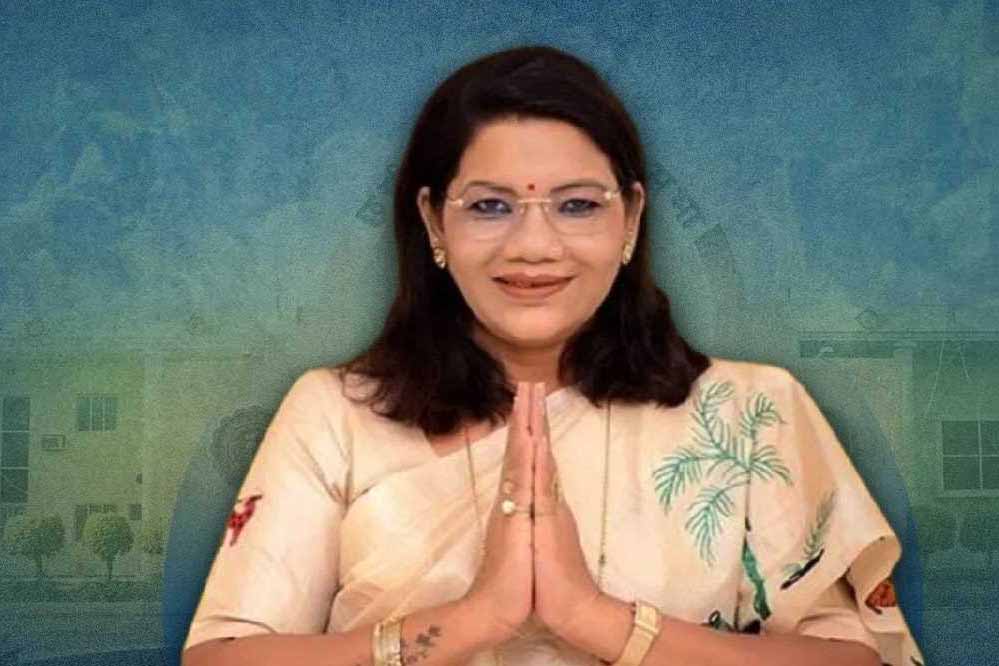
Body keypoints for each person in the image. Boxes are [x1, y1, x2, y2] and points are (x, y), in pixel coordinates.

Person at [181, 45, 924, 666]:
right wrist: (477, 617)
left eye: (576, 205)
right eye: (489, 206)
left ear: (630, 219)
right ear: (432, 221)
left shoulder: (748, 412)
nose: (533, 246)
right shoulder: (337, 414)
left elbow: (855, 658)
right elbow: (222, 658)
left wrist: (591, 617)